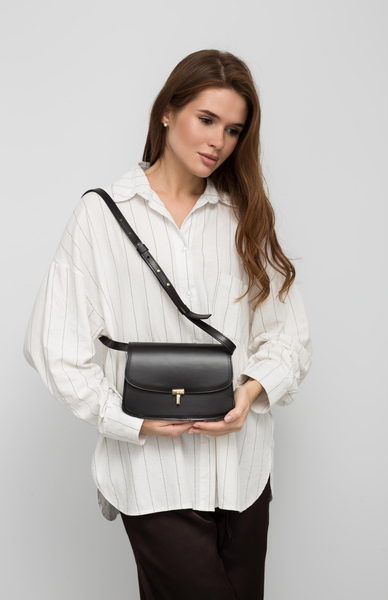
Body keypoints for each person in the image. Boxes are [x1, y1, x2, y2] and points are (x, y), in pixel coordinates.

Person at [24, 49, 312, 600]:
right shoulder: (103, 216)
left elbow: (288, 334)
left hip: (242, 472)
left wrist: (250, 393)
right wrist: (129, 420)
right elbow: (53, 347)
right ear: (167, 111)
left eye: (233, 130)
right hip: (152, 476)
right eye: (206, 120)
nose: (218, 141)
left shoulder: (245, 216)